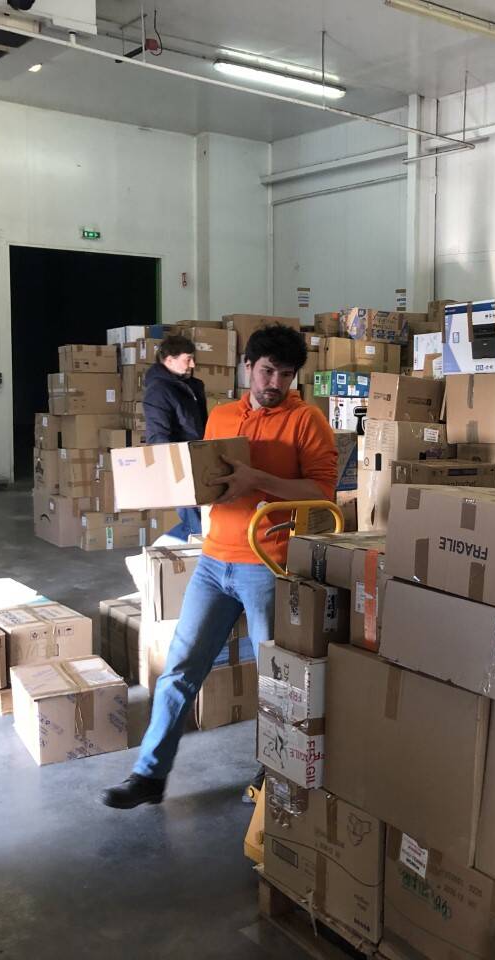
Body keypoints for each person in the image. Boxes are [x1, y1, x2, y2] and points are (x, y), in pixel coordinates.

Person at [102, 325, 339, 809]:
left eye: (286, 374)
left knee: (276, 679)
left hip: (267, 566)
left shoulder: (307, 421)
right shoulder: (223, 416)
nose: (275, 383)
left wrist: (258, 480)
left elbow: (322, 491)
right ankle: (149, 775)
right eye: (267, 371)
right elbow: (206, 480)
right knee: (179, 670)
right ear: (248, 367)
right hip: (212, 562)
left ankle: (275, 771)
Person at [142, 334, 208, 540]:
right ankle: (161, 551)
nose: (193, 364)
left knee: (203, 522)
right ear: (169, 360)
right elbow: (157, 436)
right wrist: (176, 470)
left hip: (200, 459)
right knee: (196, 526)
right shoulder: (158, 391)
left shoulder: (192, 386)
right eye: (188, 359)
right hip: (180, 464)